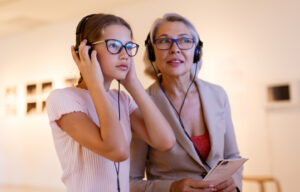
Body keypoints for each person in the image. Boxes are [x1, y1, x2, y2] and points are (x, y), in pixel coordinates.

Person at [46, 13, 175, 192]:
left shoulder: (121, 98)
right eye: (114, 45)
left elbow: (165, 141)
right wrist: (96, 85)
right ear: (87, 51)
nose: (125, 55)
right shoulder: (63, 98)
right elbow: (117, 151)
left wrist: (133, 83)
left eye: (128, 47)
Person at [130, 13, 243, 192]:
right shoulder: (140, 105)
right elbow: (130, 182)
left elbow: (232, 156)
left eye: (185, 41)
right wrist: (171, 188)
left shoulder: (218, 95)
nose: (175, 49)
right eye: (164, 41)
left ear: (196, 51)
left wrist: (234, 182)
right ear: (152, 52)